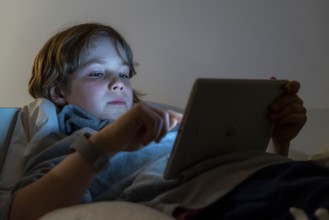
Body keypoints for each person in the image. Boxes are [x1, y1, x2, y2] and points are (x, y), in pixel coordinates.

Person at [1, 22, 309, 220]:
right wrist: (106, 142)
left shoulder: (172, 122)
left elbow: (231, 168)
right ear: (57, 92)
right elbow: (23, 212)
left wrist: (278, 140)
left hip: (278, 176)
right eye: (97, 73)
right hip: (226, 200)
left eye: (123, 73)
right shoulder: (72, 137)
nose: (118, 82)